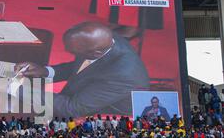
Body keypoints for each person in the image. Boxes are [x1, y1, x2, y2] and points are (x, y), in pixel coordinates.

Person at [14, 22, 150, 118]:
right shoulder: (103, 41)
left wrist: (12, 87)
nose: (67, 51)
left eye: (72, 51)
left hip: (97, 117)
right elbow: (84, 66)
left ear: (96, 52)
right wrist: (46, 71)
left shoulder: (124, 75)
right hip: (83, 95)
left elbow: (72, 108)